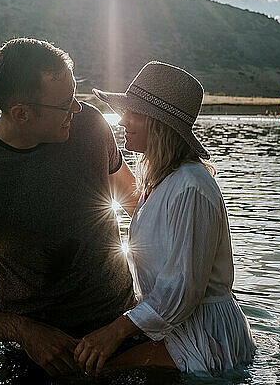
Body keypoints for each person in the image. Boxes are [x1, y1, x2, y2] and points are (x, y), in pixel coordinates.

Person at [0, 38, 139, 379]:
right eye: (65, 104)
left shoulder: (92, 126)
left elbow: (135, 202)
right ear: (21, 113)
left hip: (120, 335)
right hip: (37, 357)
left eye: (75, 95)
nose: (76, 110)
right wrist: (23, 332)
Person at [74, 61, 256, 376]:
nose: (122, 122)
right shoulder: (160, 182)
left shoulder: (191, 187)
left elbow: (181, 291)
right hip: (176, 329)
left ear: (160, 124)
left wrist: (115, 331)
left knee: (88, 372)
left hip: (204, 339)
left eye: (134, 114)